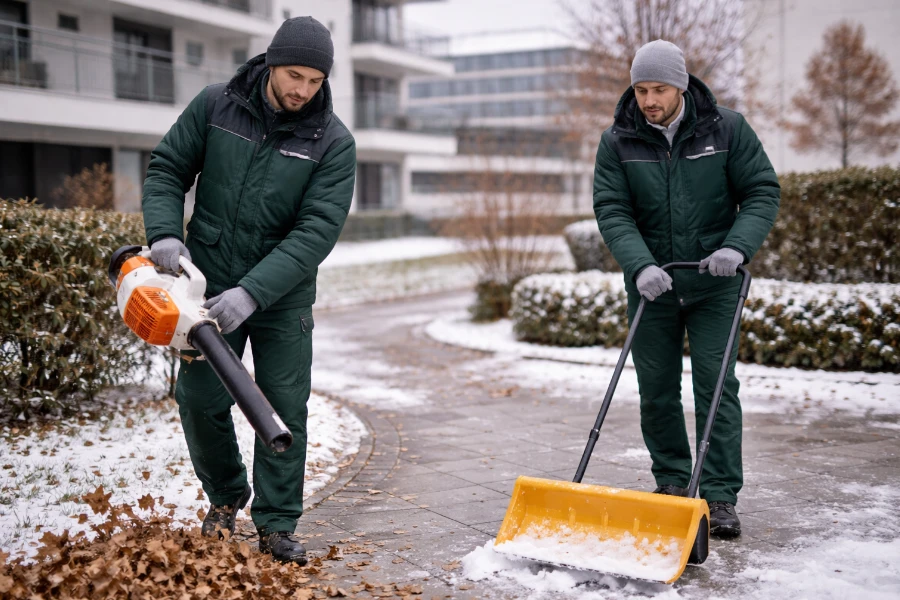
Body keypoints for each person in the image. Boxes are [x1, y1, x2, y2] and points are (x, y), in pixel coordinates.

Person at [141, 16, 355, 564]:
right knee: (198, 398)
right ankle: (225, 497)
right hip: (205, 288)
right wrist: (165, 231)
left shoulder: (332, 141)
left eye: (313, 80)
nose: (301, 90)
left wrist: (253, 292)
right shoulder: (215, 106)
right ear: (270, 62)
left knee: (284, 408)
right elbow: (167, 168)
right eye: (293, 75)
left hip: (282, 299)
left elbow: (315, 233)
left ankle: (277, 524)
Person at [592, 40, 779, 537]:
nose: (648, 99)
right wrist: (639, 266)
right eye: (640, 88)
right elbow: (612, 209)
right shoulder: (618, 140)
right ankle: (673, 484)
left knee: (716, 387)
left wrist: (736, 248)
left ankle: (718, 495)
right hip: (653, 285)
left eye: (658, 89)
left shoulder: (728, 129)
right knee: (656, 391)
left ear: (681, 85)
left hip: (714, 283)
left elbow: (761, 190)